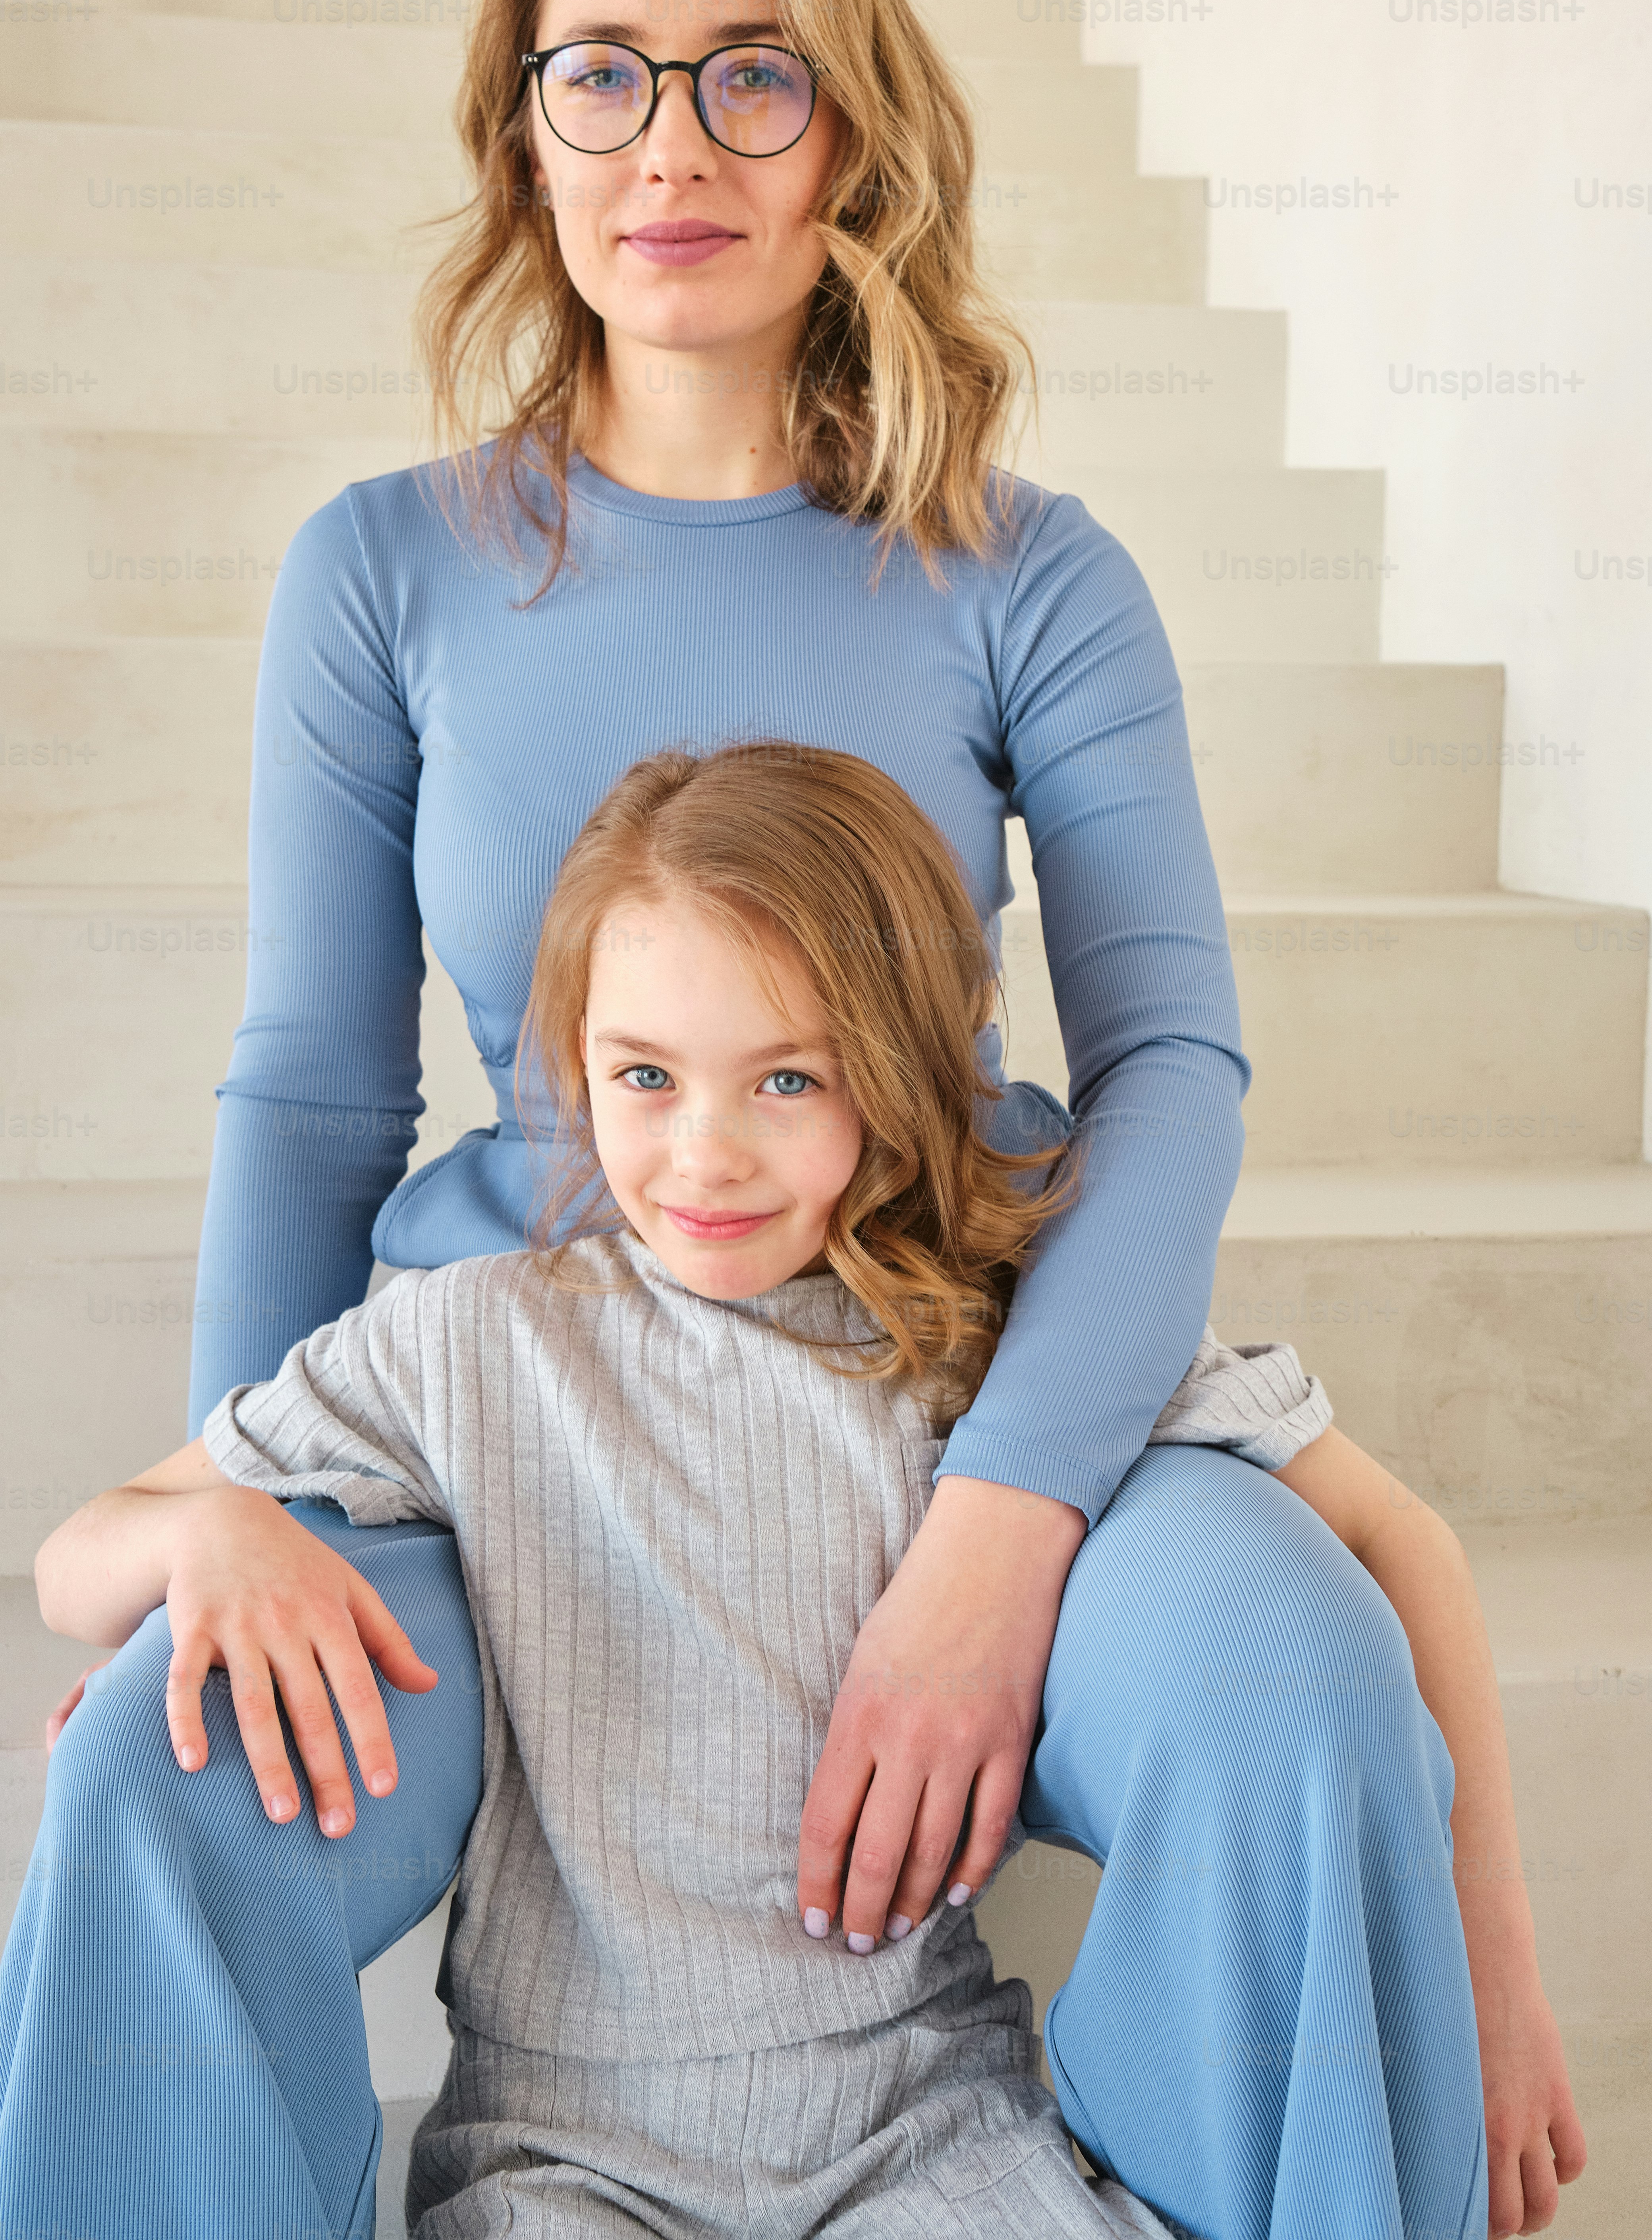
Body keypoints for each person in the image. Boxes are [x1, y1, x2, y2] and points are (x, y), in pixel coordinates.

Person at [0, 0, 1581, 2240]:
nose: (675, 143)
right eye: (600, 74)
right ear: (523, 132)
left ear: (851, 123)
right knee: (148, 1783)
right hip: (522, 1432)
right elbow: (315, 1092)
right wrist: (236, 1507)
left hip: (952, 1372)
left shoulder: (1031, 575)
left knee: (1284, 1667)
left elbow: (1171, 1064)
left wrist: (1007, 1520)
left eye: (754, 73)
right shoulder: (383, 572)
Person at [26, 743, 1572, 2239]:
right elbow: (72, 1560)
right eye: (645, 1075)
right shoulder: (462, 1341)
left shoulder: (995, 1356)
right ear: (578, 1061)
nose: (702, 1153)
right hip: (569, 2166)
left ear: (890, 1075)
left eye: (783, 1079)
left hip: (929, 2144)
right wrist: (215, 1531)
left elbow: (1397, 1540)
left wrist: (1493, 1986)